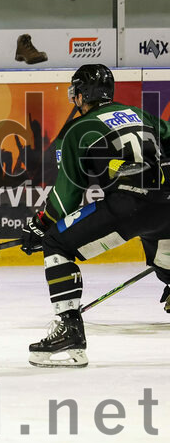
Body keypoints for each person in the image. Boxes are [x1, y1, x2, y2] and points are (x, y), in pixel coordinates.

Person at [21, 64, 170, 367]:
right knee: (161, 244)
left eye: (75, 91)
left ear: (81, 94)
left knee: (56, 245)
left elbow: (67, 196)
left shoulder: (78, 129)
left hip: (132, 206)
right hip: (168, 205)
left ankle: (69, 332)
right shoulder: (140, 115)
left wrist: (42, 224)